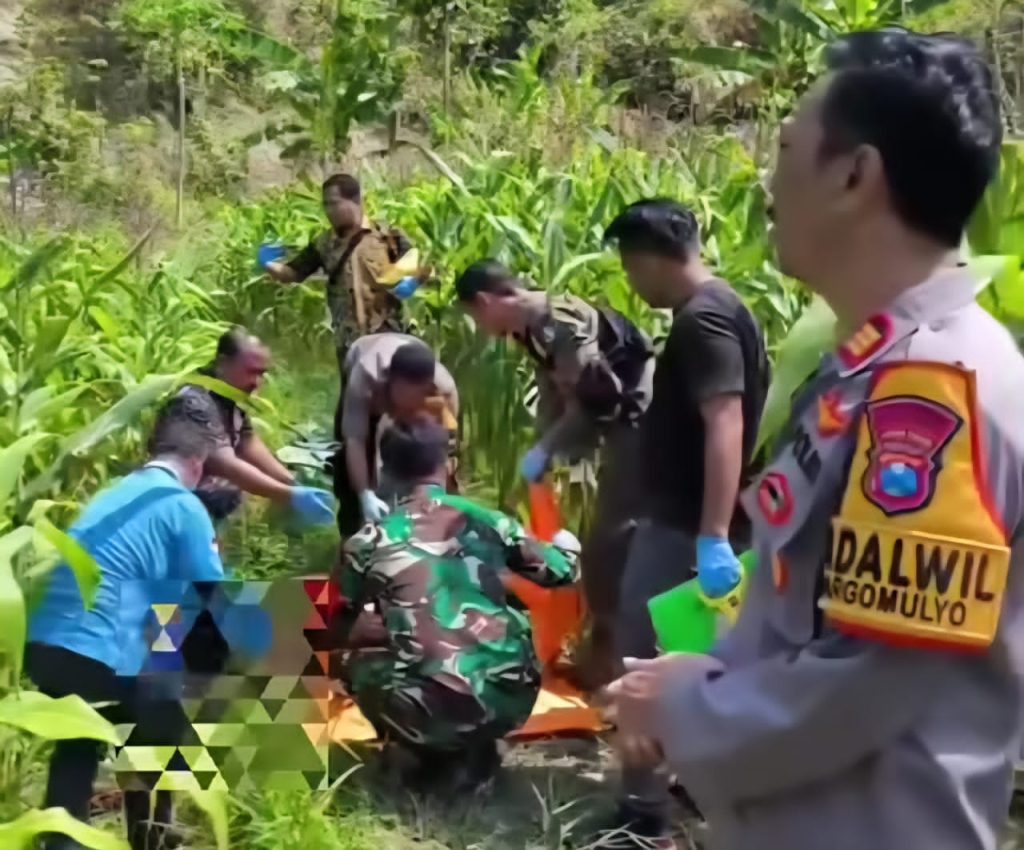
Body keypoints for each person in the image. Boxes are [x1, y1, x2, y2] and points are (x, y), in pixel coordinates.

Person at [606, 29, 1024, 850]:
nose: (768, 182)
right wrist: (707, 675)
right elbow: (825, 618)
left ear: (855, 175)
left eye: (787, 148)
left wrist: (689, 709)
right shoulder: (873, 368)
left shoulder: (934, 393)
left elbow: (869, 684)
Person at [600, 199, 770, 843]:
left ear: (648, 258)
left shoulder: (703, 320)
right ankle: (692, 786)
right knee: (695, 664)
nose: (633, 282)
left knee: (642, 663)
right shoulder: (727, 307)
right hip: (693, 520)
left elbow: (725, 420)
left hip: (684, 526)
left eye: (631, 265)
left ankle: (642, 816)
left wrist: (712, 534)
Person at [332, 418, 577, 793]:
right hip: (510, 699)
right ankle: (475, 747)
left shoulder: (366, 540)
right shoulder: (489, 520)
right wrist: (567, 544)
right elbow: (563, 573)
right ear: (446, 465)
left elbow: (330, 626)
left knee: (354, 656)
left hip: (426, 708)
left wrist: (371, 628)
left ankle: (417, 748)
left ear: (386, 469)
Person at [26, 394, 227, 850]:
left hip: (42, 644)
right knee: (162, 719)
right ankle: (152, 837)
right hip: (101, 649)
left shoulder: (113, 494)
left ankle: (63, 841)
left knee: (78, 740)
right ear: (198, 461)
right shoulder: (183, 505)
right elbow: (215, 601)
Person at [454, 260, 655, 688]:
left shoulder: (560, 324)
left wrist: (549, 447)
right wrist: (545, 444)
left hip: (638, 421)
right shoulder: (528, 328)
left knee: (609, 540)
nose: (479, 325)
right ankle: (602, 650)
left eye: (475, 315)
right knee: (601, 539)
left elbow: (594, 397)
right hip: (611, 421)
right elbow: (554, 389)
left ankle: (616, 661)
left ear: (488, 301)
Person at [260, 173, 425, 438]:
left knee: (399, 406)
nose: (329, 211)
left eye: (334, 203)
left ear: (356, 200)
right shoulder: (324, 244)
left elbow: (419, 264)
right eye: (325, 204)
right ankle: (350, 468)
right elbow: (292, 273)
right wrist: (267, 263)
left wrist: (411, 282)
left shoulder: (388, 236)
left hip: (391, 335)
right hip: (350, 342)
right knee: (354, 411)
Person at [171, 327, 335, 527]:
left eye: (261, 373)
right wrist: (289, 495)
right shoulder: (195, 401)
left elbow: (247, 441)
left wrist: (290, 482)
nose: (256, 383)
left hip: (206, 512)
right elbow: (226, 464)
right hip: (178, 511)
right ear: (223, 363)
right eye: (251, 372)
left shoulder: (229, 397)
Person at [335, 332, 459, 535]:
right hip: (363, 357)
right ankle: (354, 535)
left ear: (428, 390)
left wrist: (438, 495)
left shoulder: (444, 390)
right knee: (350, 472)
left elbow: (444, 447)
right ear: (388, 383)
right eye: (402, 401)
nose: (404, 412)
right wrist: (365, 495)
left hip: (414, 358)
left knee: (423, 453)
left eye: (414, 403)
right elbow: (355, 441)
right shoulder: (365, 379)